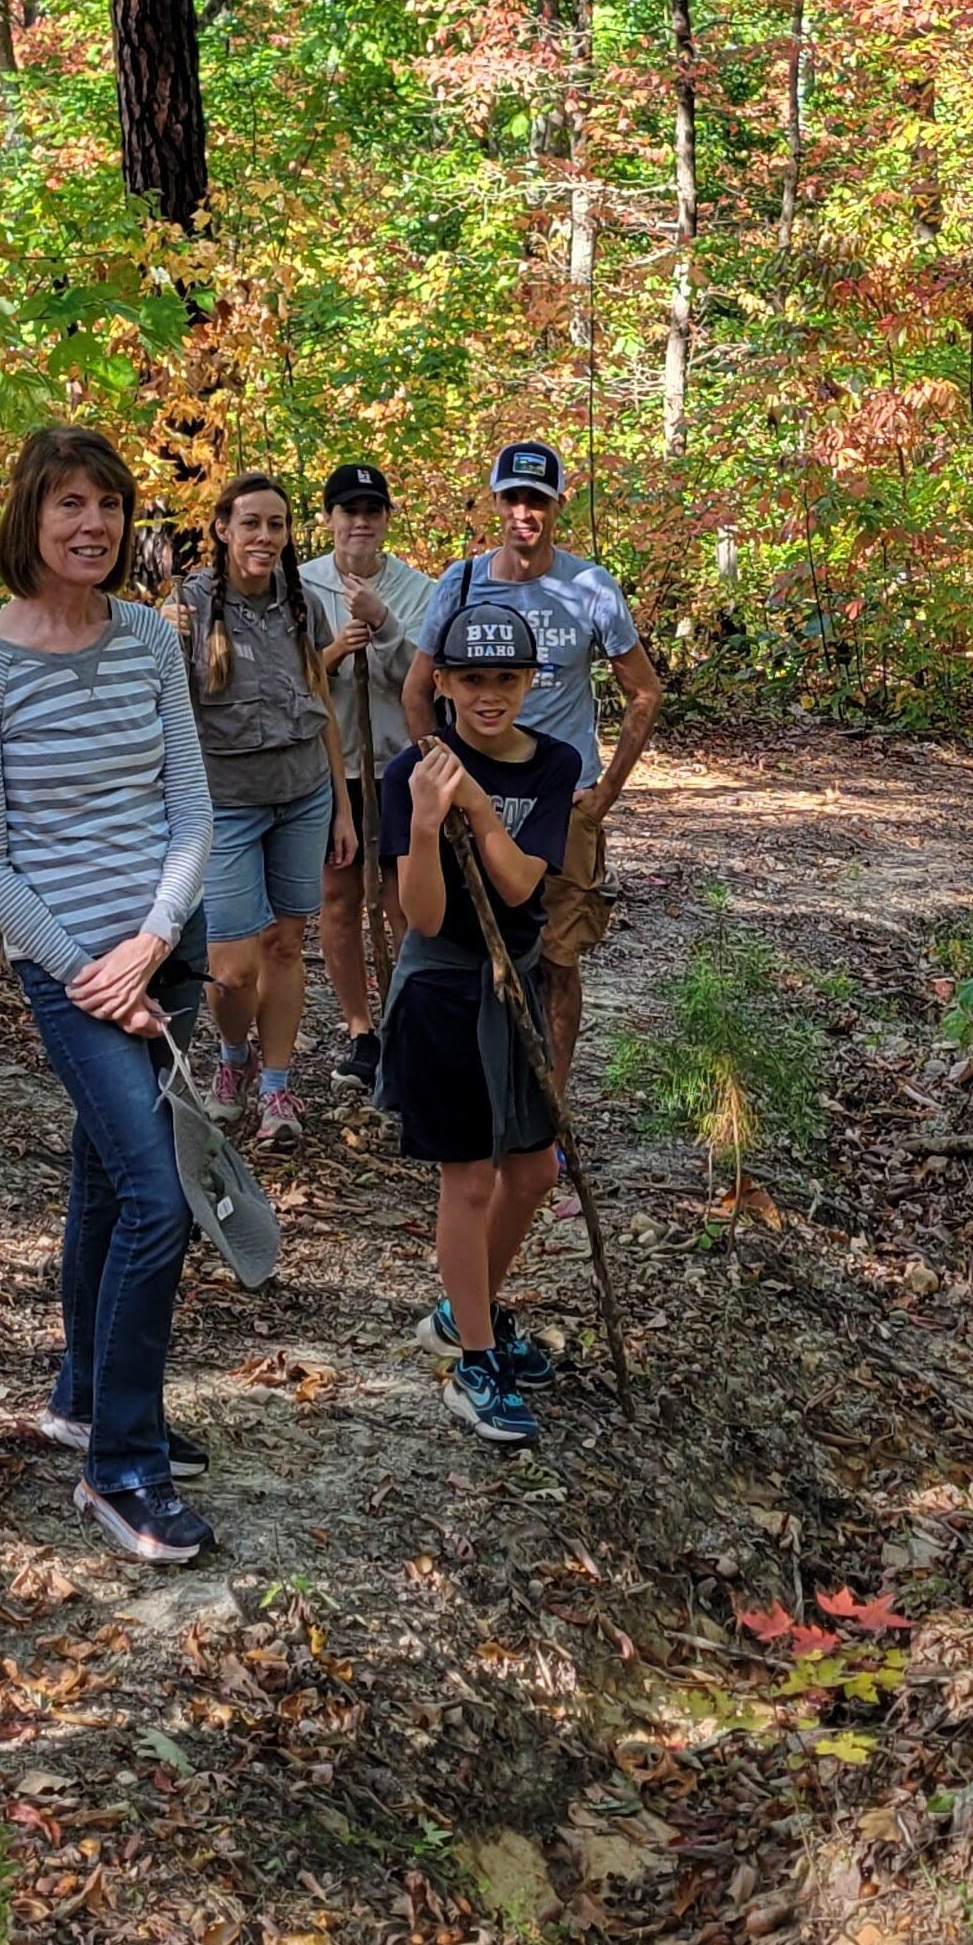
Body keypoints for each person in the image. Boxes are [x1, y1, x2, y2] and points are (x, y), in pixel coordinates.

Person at [0, 425, 217, 1570]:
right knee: (159, 1198)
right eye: (69, 505)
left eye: (108, 504)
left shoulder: (153, 638)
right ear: (29, 519)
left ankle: (84, 1399)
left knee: (109, 1178)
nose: (92, 525)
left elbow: (193, 814)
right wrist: (86, 971)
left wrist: (153, 941)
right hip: (65, 971)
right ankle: (123, 1470)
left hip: (163, 949)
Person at [376, 599, 581, 1450]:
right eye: (471, 679)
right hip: (443, 991)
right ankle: (476, 1360)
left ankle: (464, 1316)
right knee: (466, 1181)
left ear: (531, 682)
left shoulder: (554, 764)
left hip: (516, 985)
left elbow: (523, 887)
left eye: (507, 678)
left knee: (532, 1171)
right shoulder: (408, 773)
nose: (489, 695)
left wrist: (484, 815)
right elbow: (421, 917)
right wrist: (426, 825)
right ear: (444, 682)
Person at [406, 441, 660, 1088]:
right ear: (496, 502)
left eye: (538, 501)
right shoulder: (460, 584)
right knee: (466, 947)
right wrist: (440, 776)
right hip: (473, 799)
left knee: (557, 959)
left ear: (557, 507)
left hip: (561, 802)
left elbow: (644, 692)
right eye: (514, 498)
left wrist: (603, 794)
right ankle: (477, 1094)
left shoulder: (590, 588)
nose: (525, 512)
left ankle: (551, 1106)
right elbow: (417, 689)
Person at [181, 471, 358, 1147]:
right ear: (224, 528)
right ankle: (233, 1061)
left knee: (286, 944)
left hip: (303, 796)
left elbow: (323, 710)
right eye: (250, 523)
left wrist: (343, 807)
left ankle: (278, 1087)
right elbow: (168, 719)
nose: (264, 536)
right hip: (224, 807)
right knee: (230, 967)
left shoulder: (302, 605)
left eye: (276, 525)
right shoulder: (188, 609)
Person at [300, 459, 434, 1095]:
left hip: (396, 766)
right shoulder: (296, 587)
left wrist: (385, 627)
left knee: (402, 899)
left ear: (386, 520)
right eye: (348, 510)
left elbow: (426, 680)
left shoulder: (418, 590)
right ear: (328, 518)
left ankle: (408, 1021)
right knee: (339, 897)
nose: (360, 522)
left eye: (371, 511)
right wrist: (331, 653)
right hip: (333, 768)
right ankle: (361, 1029)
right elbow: (286, 683)